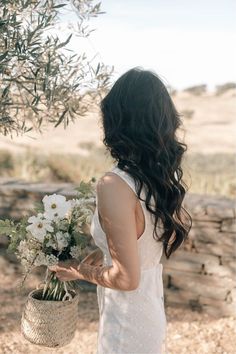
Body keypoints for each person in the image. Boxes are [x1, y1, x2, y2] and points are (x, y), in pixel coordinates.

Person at [49, 67, 192, 353]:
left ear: (117, 121)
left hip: (127, 324)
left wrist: (76, 270)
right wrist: (99, 257)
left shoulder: (114, 184)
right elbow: (140, 248)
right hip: (147, 310)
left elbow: (126, 278)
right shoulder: (156, 179)